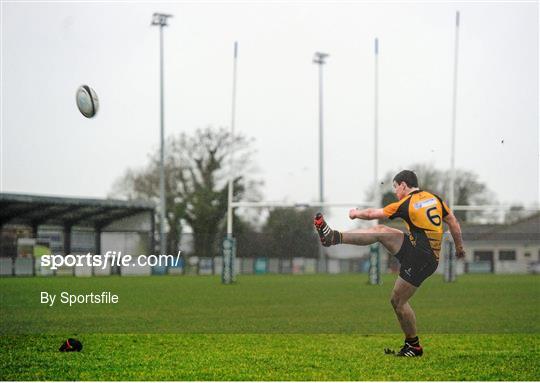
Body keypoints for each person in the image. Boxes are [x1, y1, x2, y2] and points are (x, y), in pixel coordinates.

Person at [313, 170, 465, 357]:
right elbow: (453, 223)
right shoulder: (435, 199)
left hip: (422, 258)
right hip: (418, 249)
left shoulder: (406, 203)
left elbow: (371, 213)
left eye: (395, 187)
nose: (395, 191)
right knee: (381, 230)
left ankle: (414, 347)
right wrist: (459, 248)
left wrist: (355, 213)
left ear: (403, 185)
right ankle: (333, 237)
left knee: (398, 301)